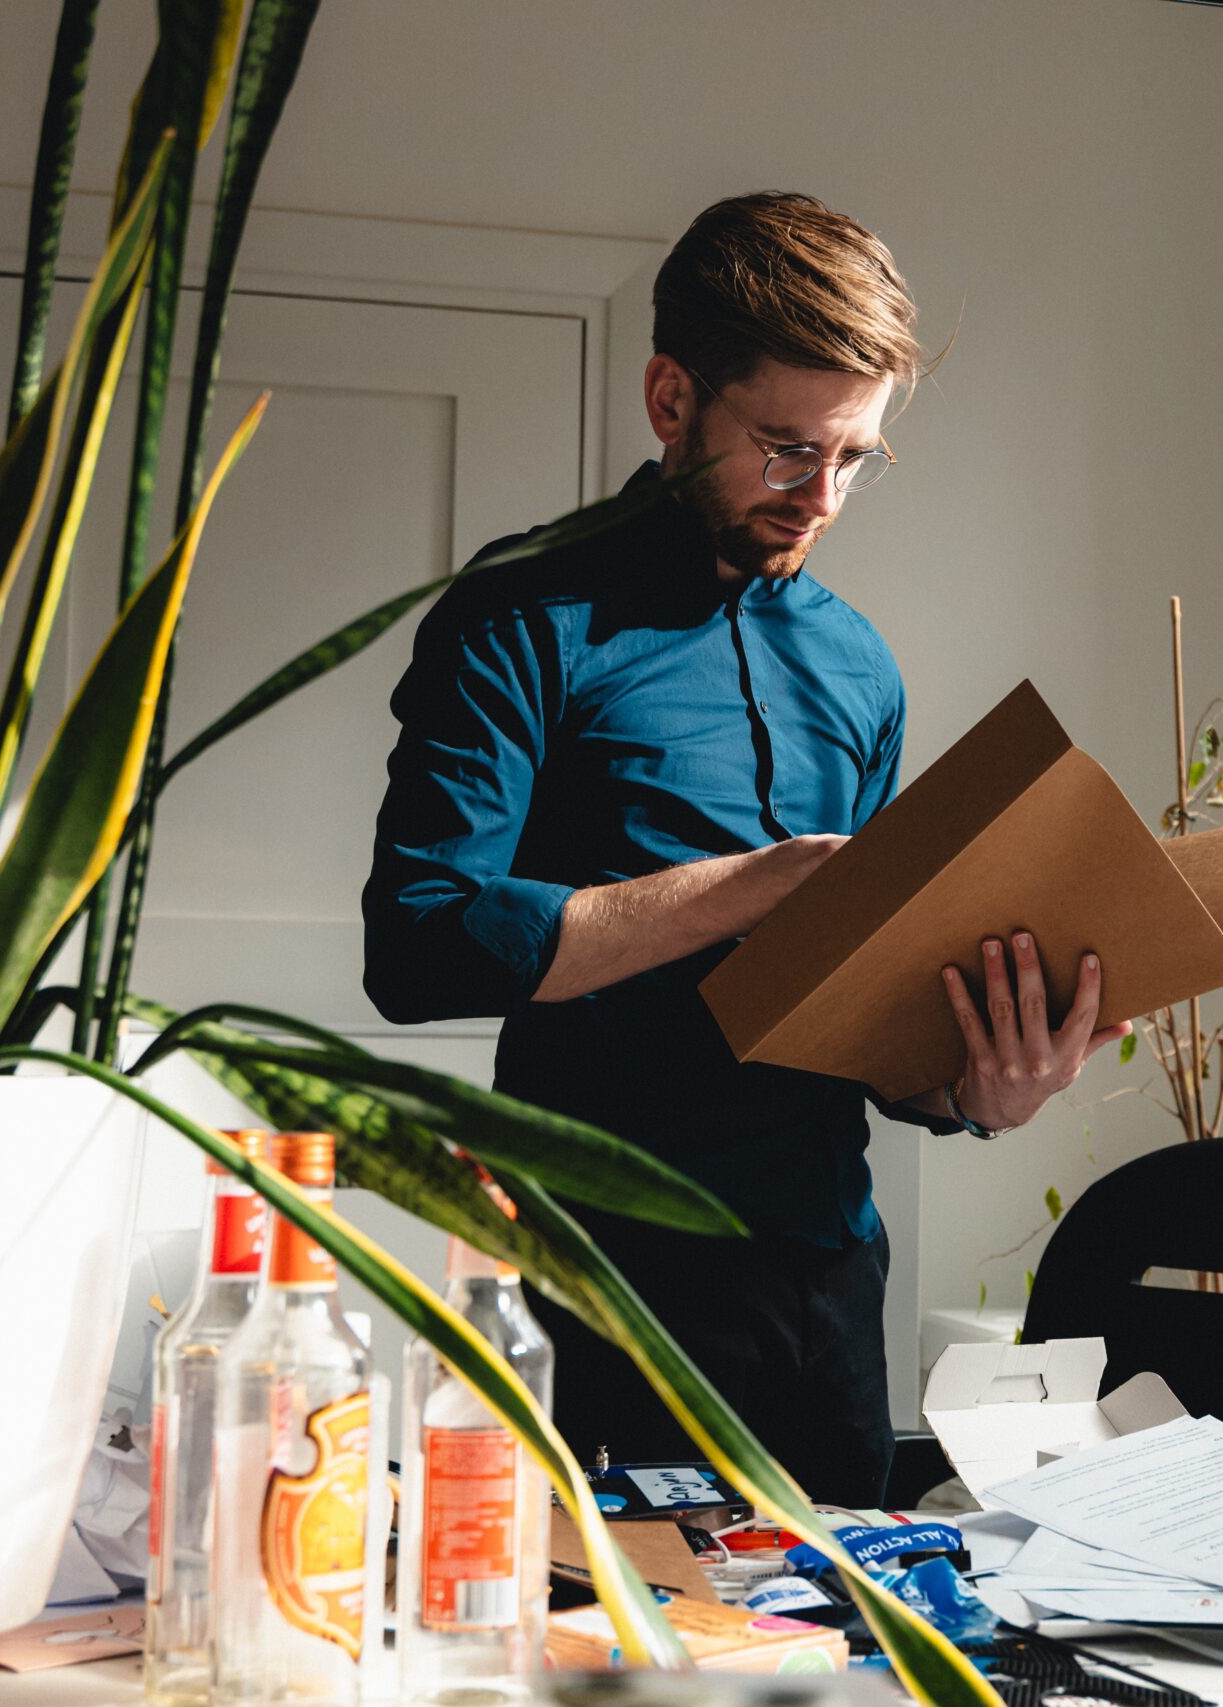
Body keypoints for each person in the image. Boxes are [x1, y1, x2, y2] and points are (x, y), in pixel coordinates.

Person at [362, 192, 1125, 1505]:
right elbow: (419, 940)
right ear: (673, 400)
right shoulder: (521, 616)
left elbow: (866, 1029)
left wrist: (976, 1092)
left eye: (854, 458)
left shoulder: (860, 666)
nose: (819, 496)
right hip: (599, 1283)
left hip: (825, 1295)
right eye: (784, 449)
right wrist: (753, 890)